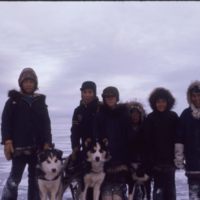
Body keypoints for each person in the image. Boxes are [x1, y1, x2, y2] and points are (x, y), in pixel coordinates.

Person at [1, 68, 52, 200]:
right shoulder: (13, 101)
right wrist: (7, 141)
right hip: (19, 148)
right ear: (21, 83)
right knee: (14, 180)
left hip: (38, 149)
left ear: (35, 84)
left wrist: (47, 142)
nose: (29, 84)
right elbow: (5, 122)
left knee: (35, 181)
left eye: (31, 81)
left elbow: (46, 124)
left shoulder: (40, 102)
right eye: (26, 81)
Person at [95, 86, 131, 200]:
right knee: (106, 195)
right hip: (105, 158)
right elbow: (96, 133)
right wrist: (102, 140)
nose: (110, 99)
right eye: (107, 97)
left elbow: (128, 135)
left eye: (112, 96)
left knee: (118, 195)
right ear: (104, 99)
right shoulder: (100, 115)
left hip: (121, 157)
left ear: (117, 98)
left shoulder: (124, 114)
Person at [143, 87, 178, 200]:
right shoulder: (150, 118)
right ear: (154, 103)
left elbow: (179, 138)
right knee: (158, 193)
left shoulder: (173, 117)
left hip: (170, 163)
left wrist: (178, 158)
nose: (161, 104)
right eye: (158, 102)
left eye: (163, 101)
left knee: (171, 192)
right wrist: (150, 161)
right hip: (156, 164)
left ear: (168, 102)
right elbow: (147, 142)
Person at [70, 81, 100, 199]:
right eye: (84, 92)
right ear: (81, 93)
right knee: (85, 181)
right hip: (85, 151)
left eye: (90, 92)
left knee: (99, 184)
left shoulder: (100, 108)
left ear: (94, 93)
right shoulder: (78, 111)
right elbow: (75, 131)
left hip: (100, 151)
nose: (87, 95)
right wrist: (75, 147)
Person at [175, 81, 200, 200]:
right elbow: (179, 138)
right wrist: (179, 158)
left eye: (198, 95)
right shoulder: (185, 114)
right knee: (194, 196)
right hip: (193, 166)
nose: (196, 98)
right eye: (193, 96)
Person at [126, 101, 151, 200]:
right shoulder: (126, 130)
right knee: (132, 192)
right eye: (132, 113)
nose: (135, 116)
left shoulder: (146, 129)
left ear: (141, 115)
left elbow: (150, 148)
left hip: (144, 165)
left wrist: (146, 165)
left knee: (147, 191)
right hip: (131, 166)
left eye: (137, 114)